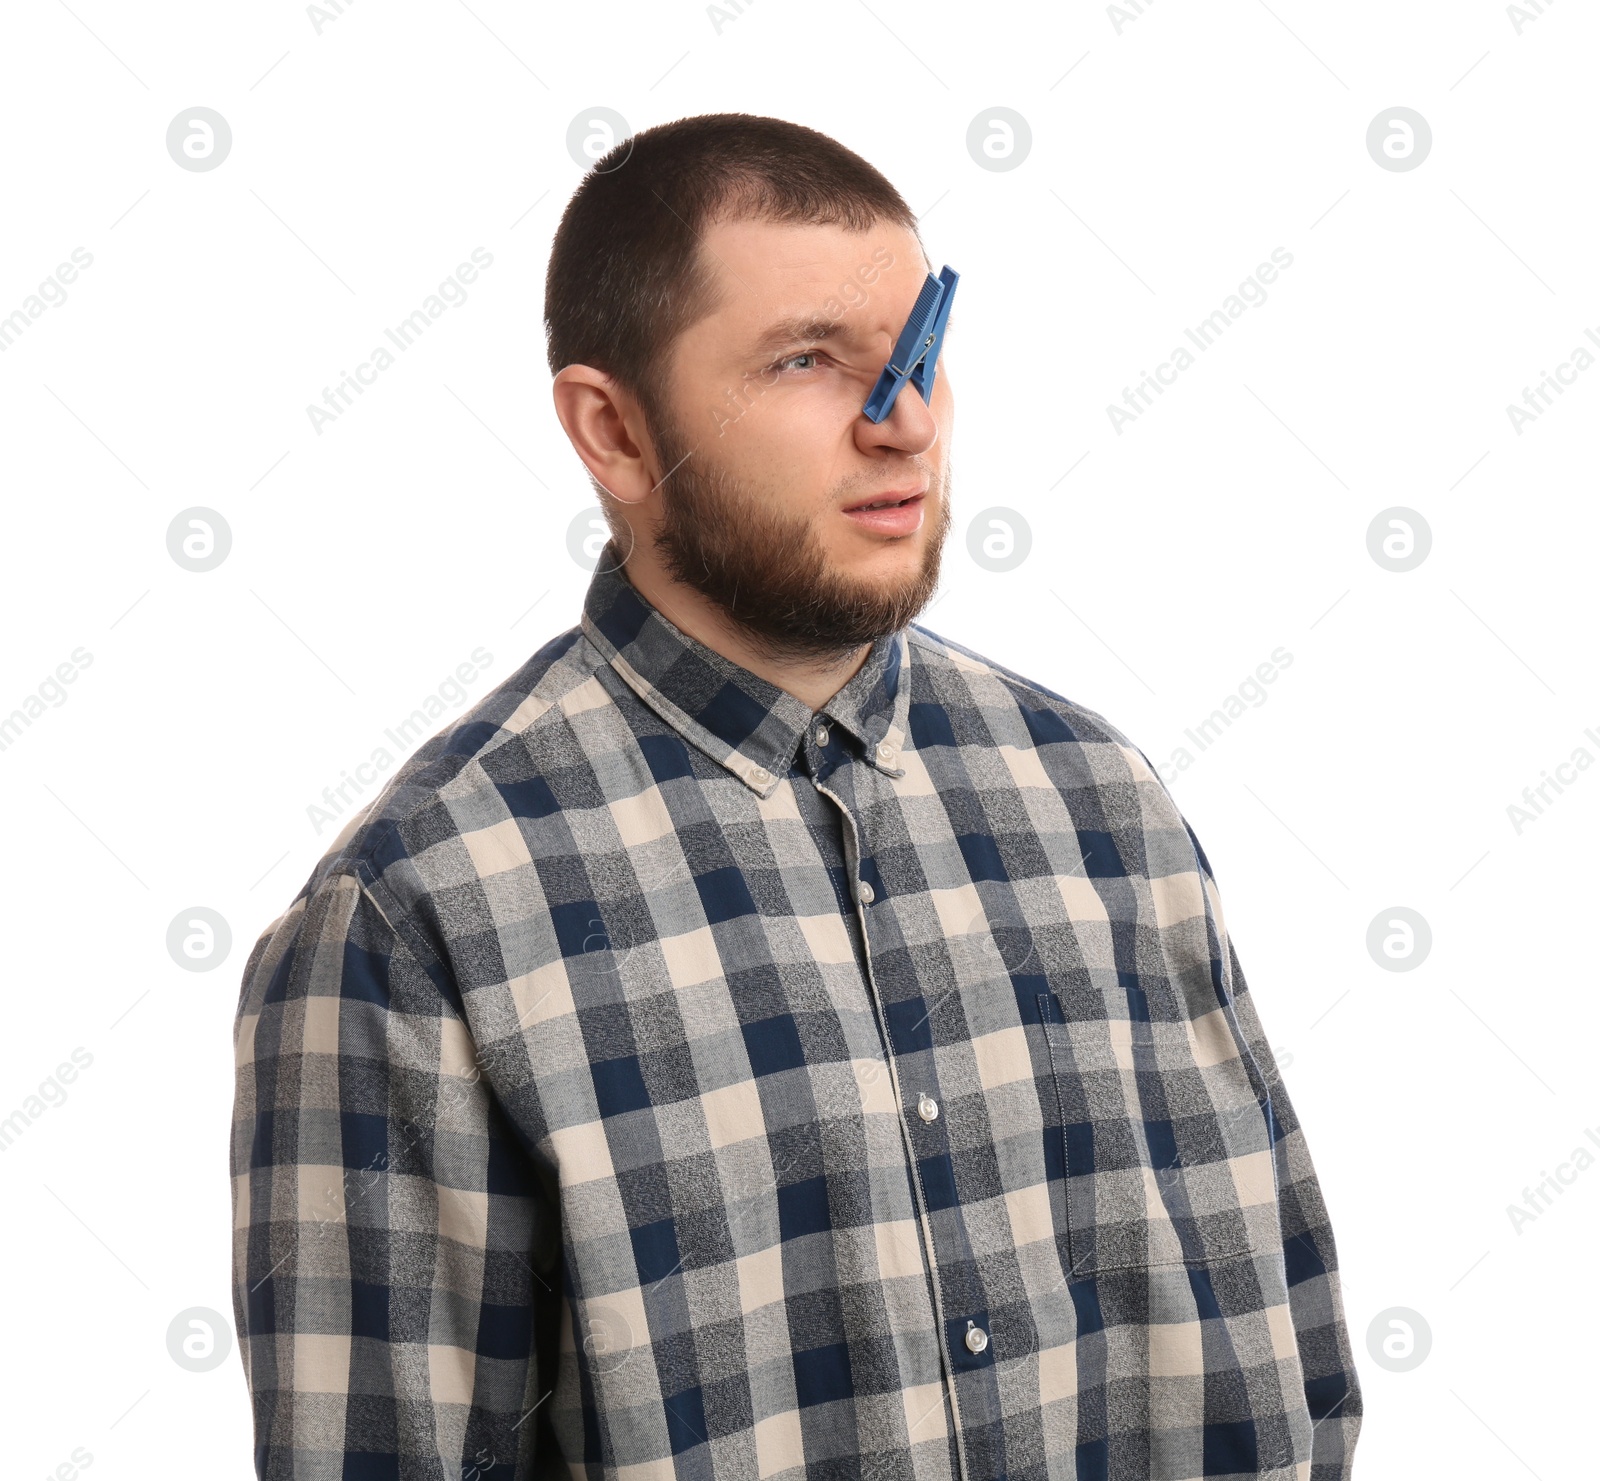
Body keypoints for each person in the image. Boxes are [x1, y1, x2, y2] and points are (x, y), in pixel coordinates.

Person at [230, 112, 1361, 1481]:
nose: (905, 424)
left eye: (920, 355)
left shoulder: (1103, 808)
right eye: (810, 361)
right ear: (615, 430)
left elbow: (1299, 1375)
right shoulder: (419, 915)